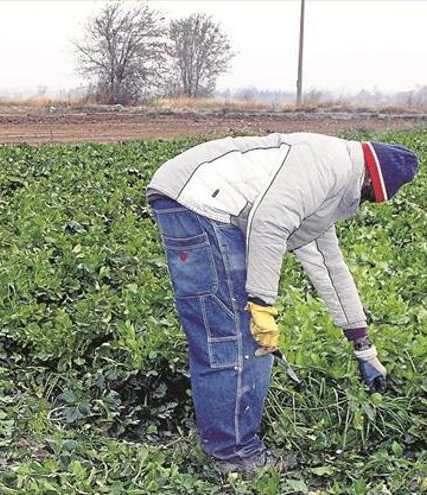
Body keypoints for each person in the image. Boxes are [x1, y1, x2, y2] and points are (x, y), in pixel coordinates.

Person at [145, 132, 419, 474]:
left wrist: (364, 348)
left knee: (220, 332)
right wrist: (261, 305)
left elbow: (330, 268)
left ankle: (222, 439)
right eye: (368, 197)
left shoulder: (328, 182)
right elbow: (269, 223)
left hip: (191, 197)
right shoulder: (326, 166)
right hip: (204, 203)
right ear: (368, 180)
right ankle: (235, 456)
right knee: (240, 339)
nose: (361, 203)